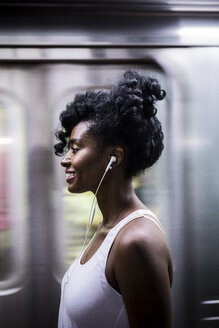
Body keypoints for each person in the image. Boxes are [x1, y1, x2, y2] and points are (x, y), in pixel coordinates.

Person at [54, 69, 173, 328]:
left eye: (75, 149)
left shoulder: (135, 241)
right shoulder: (107, 228)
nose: (65, 159)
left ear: (114, 158)